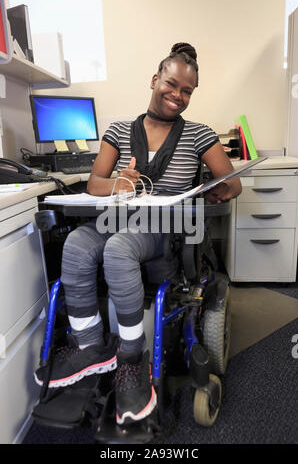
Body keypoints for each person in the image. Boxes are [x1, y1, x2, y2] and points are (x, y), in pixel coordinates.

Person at [35, 42, 242, 426]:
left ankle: (132, 359)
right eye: (172, 84)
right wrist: (116, 183)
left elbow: (231, 183)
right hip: (120, 218)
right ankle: (91, 347)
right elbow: (95, 181)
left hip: (163, 230)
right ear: (155, 79)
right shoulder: (118, 129)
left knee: (117, 248)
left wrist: (220, 189)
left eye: (187, 91)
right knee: (78, 244)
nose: (178, 96)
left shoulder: (198, 134)